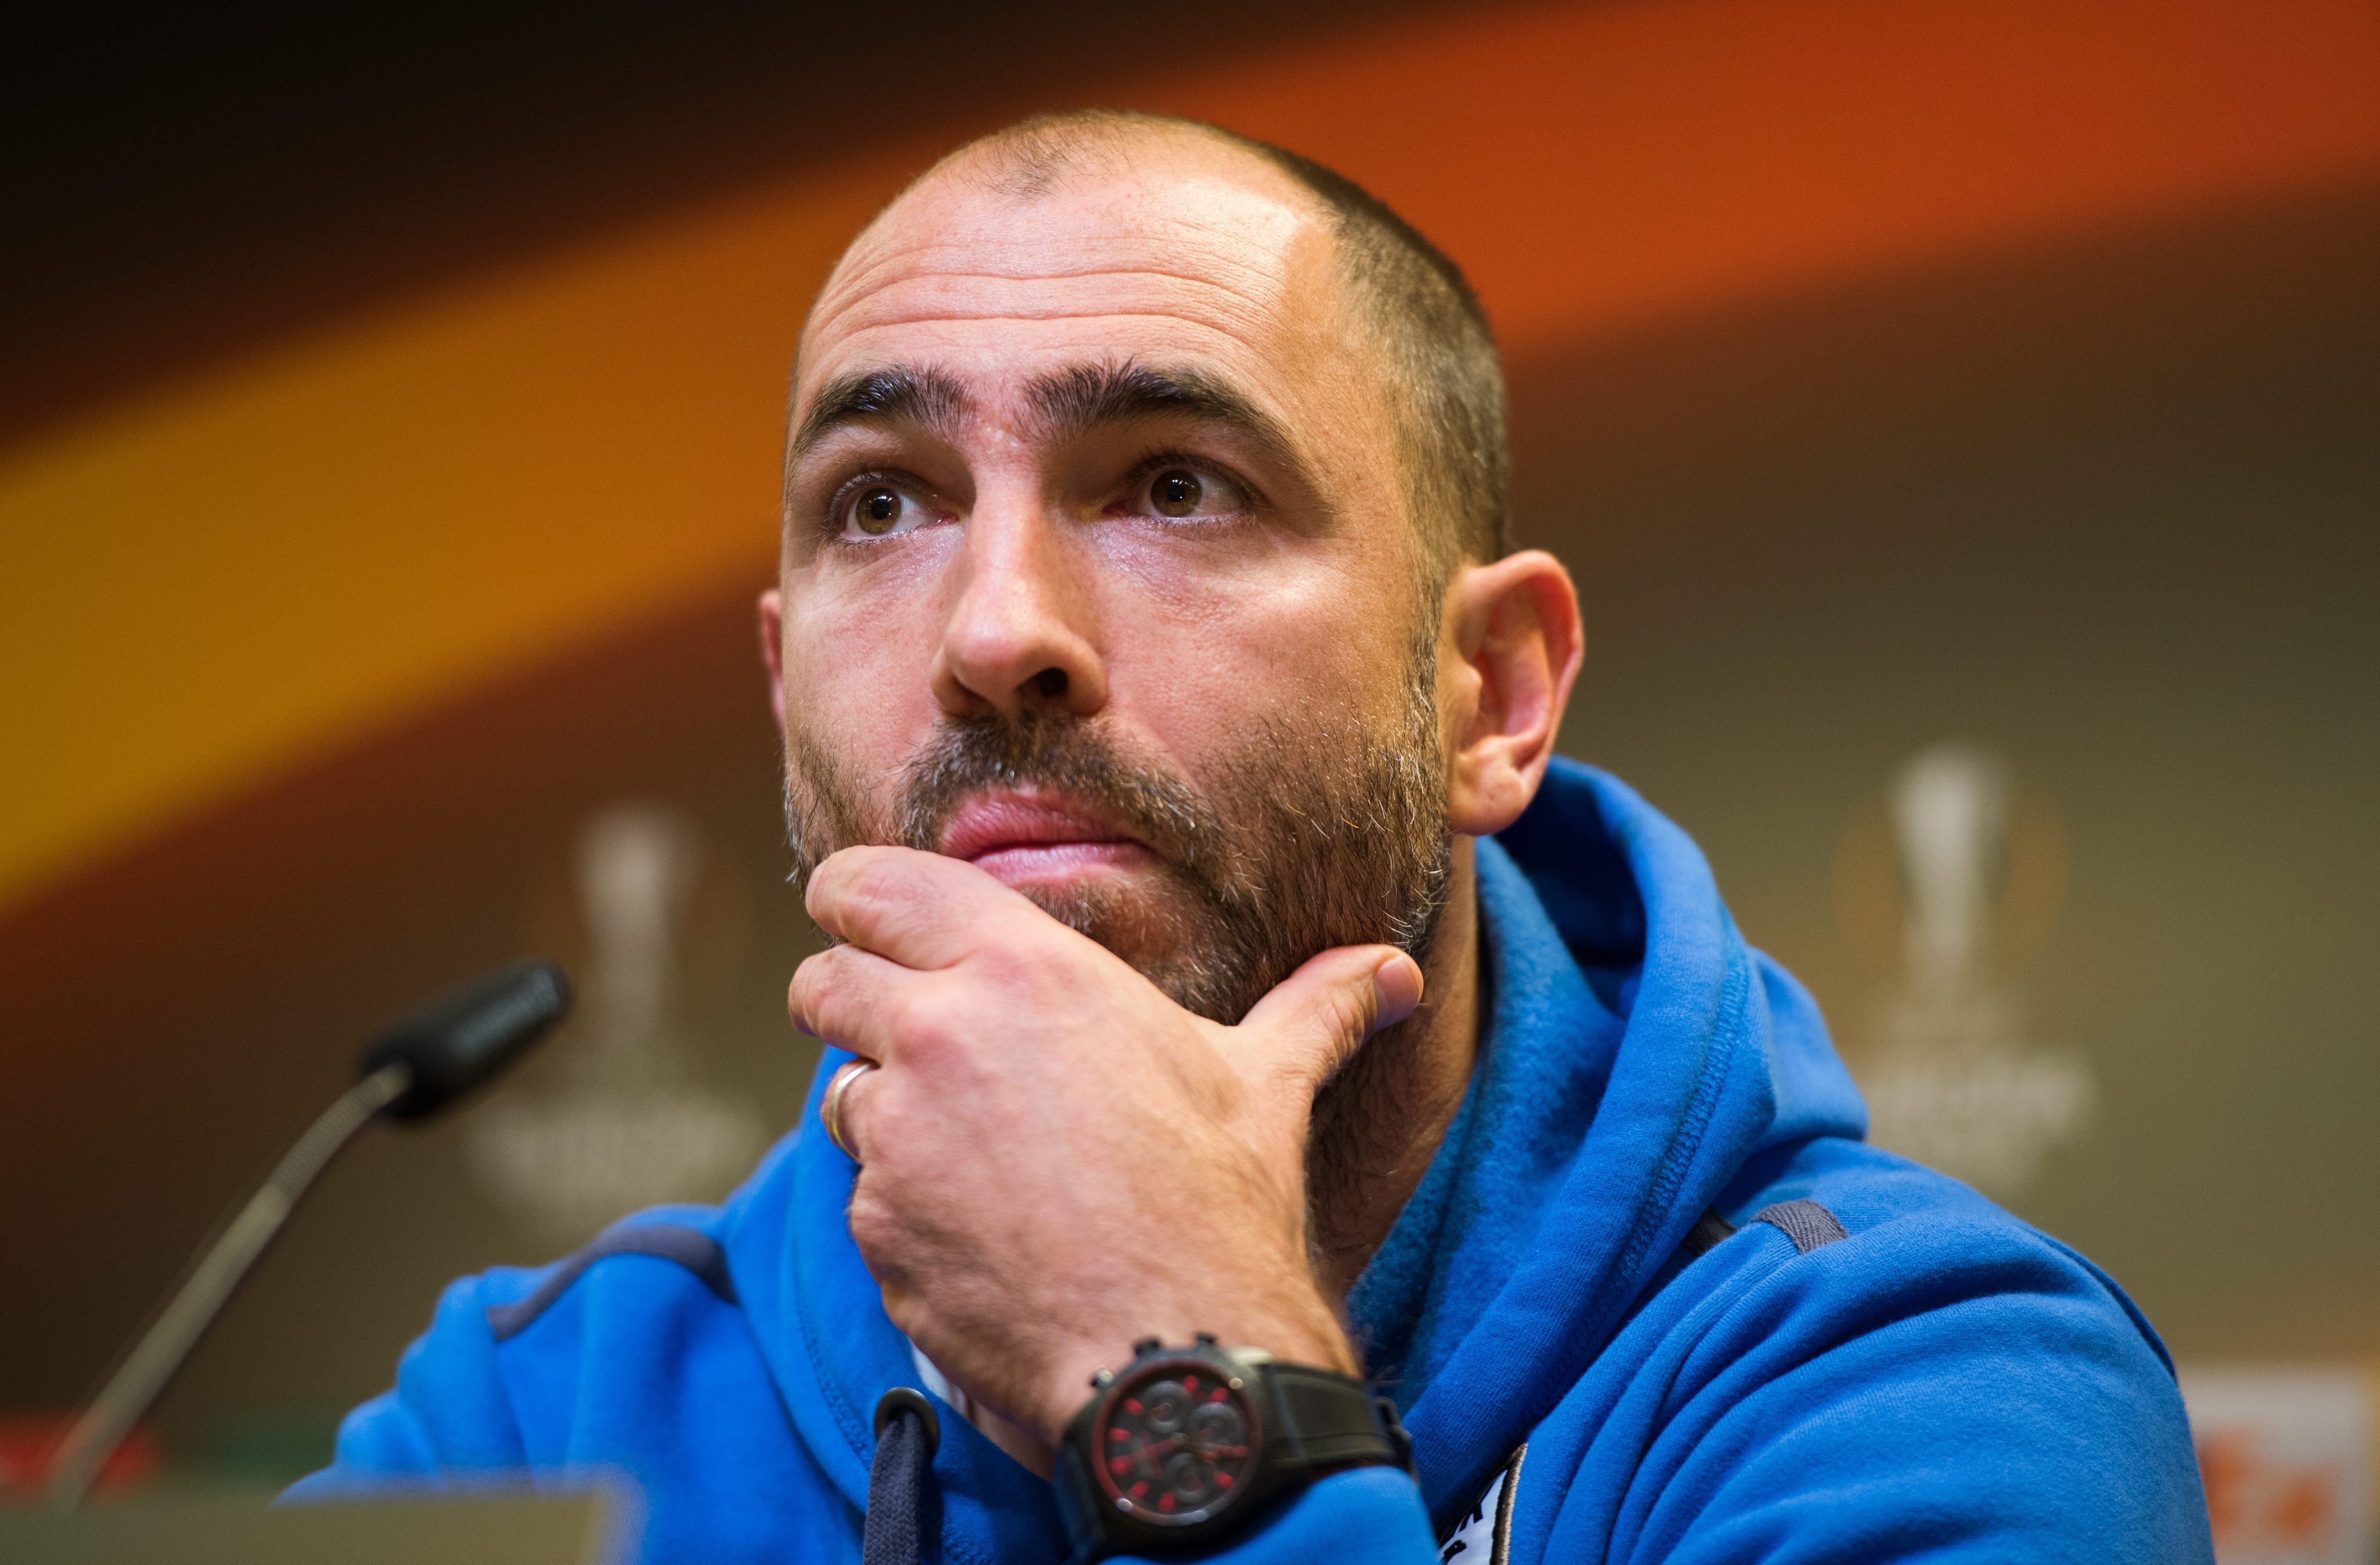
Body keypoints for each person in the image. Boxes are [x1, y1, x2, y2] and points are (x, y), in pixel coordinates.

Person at [289, 110, 2213, 1563]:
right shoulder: (542, 1421)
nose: (994, 632)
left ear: (1491, 694)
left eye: (1173, 486)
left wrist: (1185, 1383)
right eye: (883, 502)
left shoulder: (1914, 1385)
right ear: (786, 683)